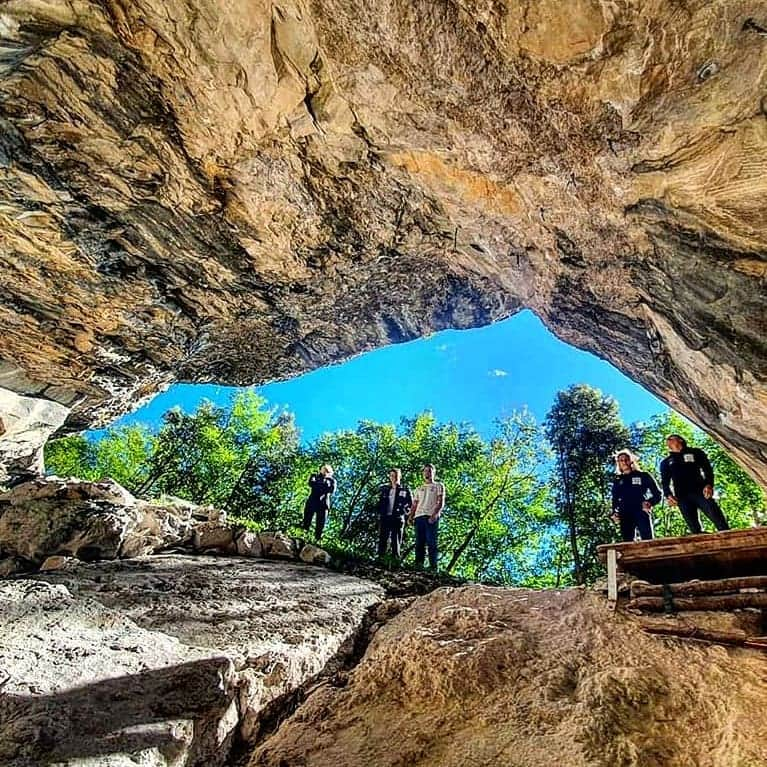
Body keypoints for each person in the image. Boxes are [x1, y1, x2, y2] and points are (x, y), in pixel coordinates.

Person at [660, 434, 729, 534]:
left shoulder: (695, 452)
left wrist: (709, 484)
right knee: (693, 527)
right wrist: (668, 495)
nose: (668, 441)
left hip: (700, 491)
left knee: (717, 517)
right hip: (682, 496)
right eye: (666, 440)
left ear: (680, 440)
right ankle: (704, 544)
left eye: (670, 438)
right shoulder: (666, 462)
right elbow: (665, 481)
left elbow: (707, 470)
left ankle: (727, 535)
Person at [610, 449, 661, 542]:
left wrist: (650, 502)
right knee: (627, 541)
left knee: (648, 540)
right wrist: (614, 512)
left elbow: (657, 494)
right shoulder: (618, 481)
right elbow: (615, 499)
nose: (624, 462)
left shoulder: (643, 476)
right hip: (625, 513)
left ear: (631, 461)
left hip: (641, 510)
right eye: (621, 460)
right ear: (618, 463)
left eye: (626, 459)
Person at [408, 464, 445, 571]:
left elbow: (441, 501)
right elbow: (414, 504)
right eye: (425, 471)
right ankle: (418, 566)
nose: (427, 473)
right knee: (419, 543)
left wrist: (435, 514)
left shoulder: (439, 485)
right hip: (419, 517)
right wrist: (410, 516)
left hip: (430, 517)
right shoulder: (419, 488)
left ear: (434, 472)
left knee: (431, 542)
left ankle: (433, 567)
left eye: (429, 471)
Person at [376, 468, 412, 561]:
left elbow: (410, 504)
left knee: (396, 540)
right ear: (389, 477)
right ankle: (380, 559)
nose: (394, 478)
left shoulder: (405, 489)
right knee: (383, 539)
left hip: (397, 518)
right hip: (385, 517)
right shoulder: (384, 489)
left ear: (399, 476)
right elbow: (379, 503)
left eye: (396, 476)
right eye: (392, 475)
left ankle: (395, 561)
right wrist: (379, 513)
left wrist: (406, 514)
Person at [302, 464, 335, 539]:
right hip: (312, 502)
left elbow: (331, 490)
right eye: (323, 469)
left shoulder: (332, 480)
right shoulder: (314, 476)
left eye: (326, 470)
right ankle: (303, 536)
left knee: (320, 525)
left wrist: (319, 485)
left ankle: (317, 540)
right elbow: (311, 483)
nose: (324, 471)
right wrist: (323, 486)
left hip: (323, 505)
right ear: (320, 469)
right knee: (306, 521)